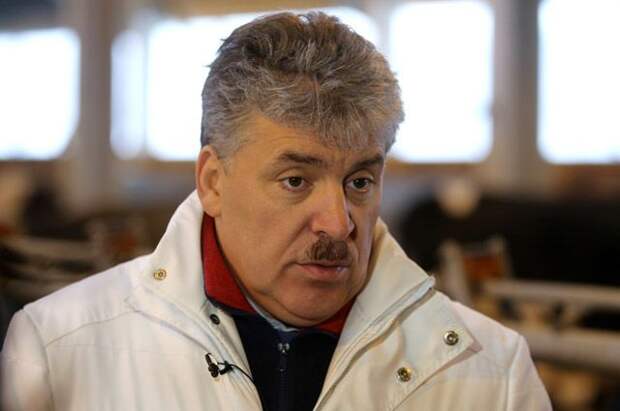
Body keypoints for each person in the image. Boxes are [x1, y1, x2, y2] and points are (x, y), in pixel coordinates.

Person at [1, 11, 551, 411]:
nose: (339, 223)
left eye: (360, 181)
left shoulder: (491, 374)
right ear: (213, 182)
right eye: (295, 180)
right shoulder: (56, 350)